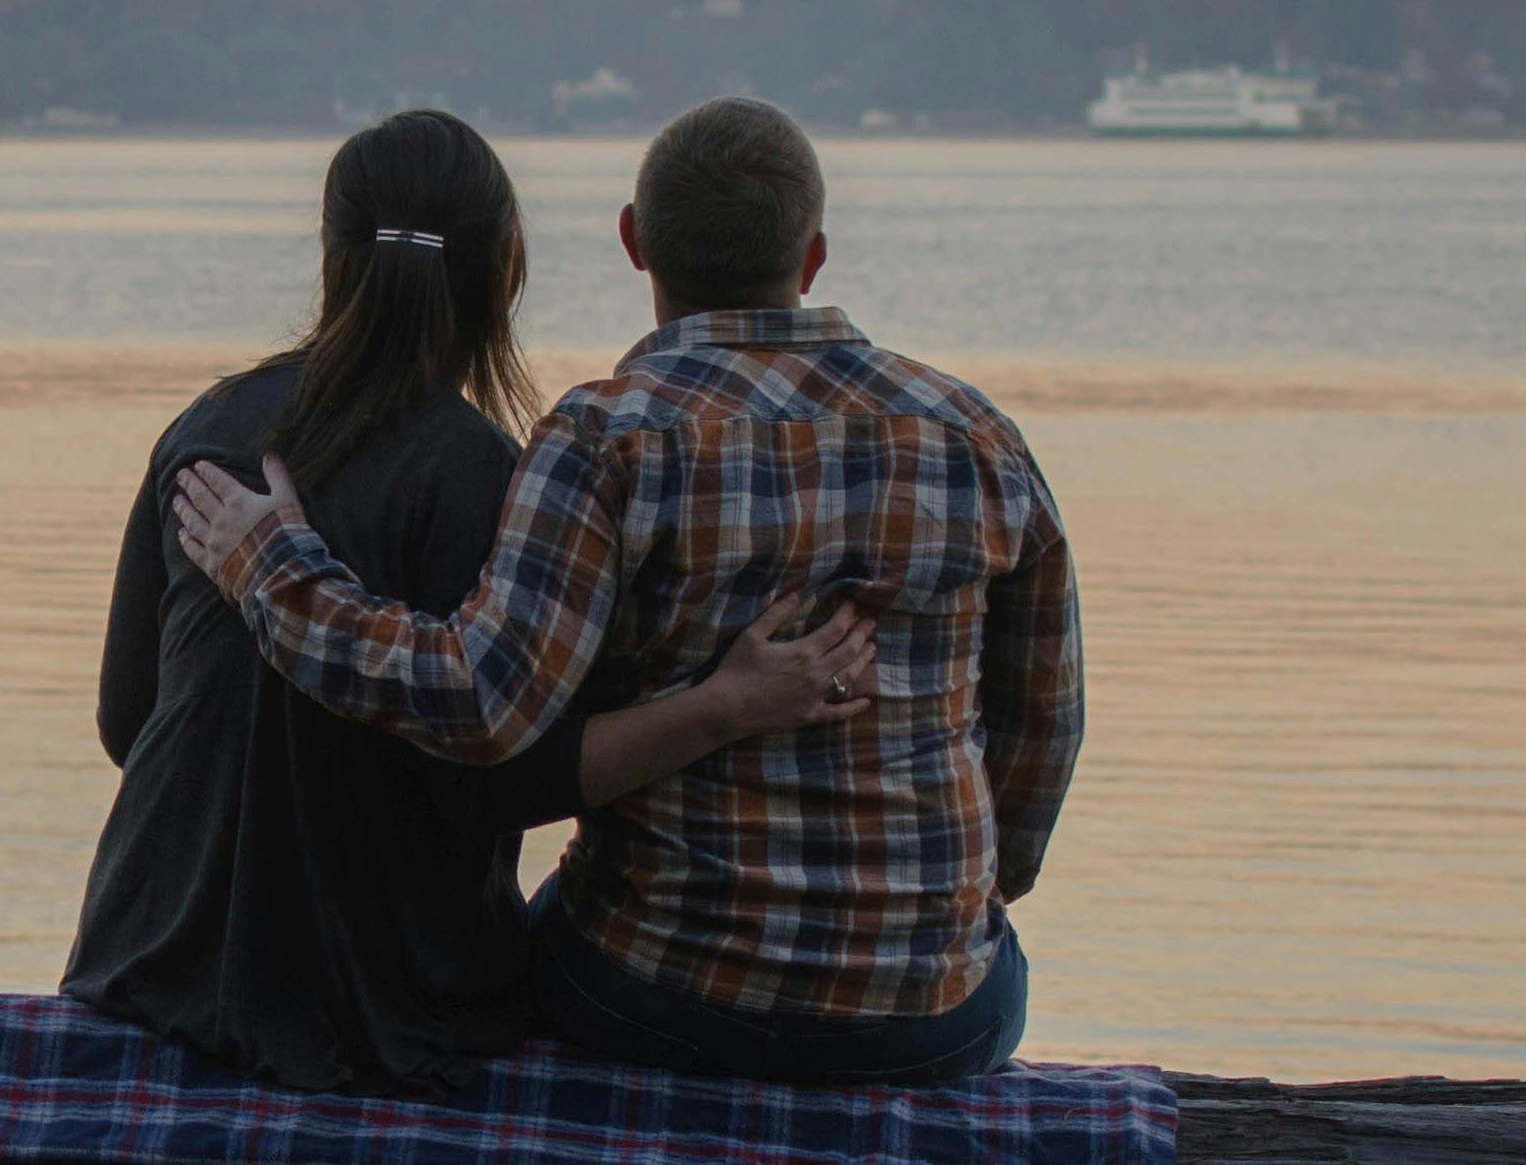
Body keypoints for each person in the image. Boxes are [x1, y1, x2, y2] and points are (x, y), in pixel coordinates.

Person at [171, 96, 1085, 1086]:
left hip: (652, 995)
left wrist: (272, 570)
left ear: (633, 242)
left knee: (532, 936)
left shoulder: (605, 439)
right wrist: (965, 900)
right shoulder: (976, 437)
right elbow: (1044, 724)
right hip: (929, 1019)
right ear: (814, 256)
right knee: (993, 960)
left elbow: (480, 702)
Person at [65, 108, 880, 1098]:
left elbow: (128, 722)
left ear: (331, 257)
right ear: (506, 270)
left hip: (148, 957)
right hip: (389, 1004)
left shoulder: (208, 430)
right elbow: (503, 781)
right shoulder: (489, 475)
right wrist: (719, 706)